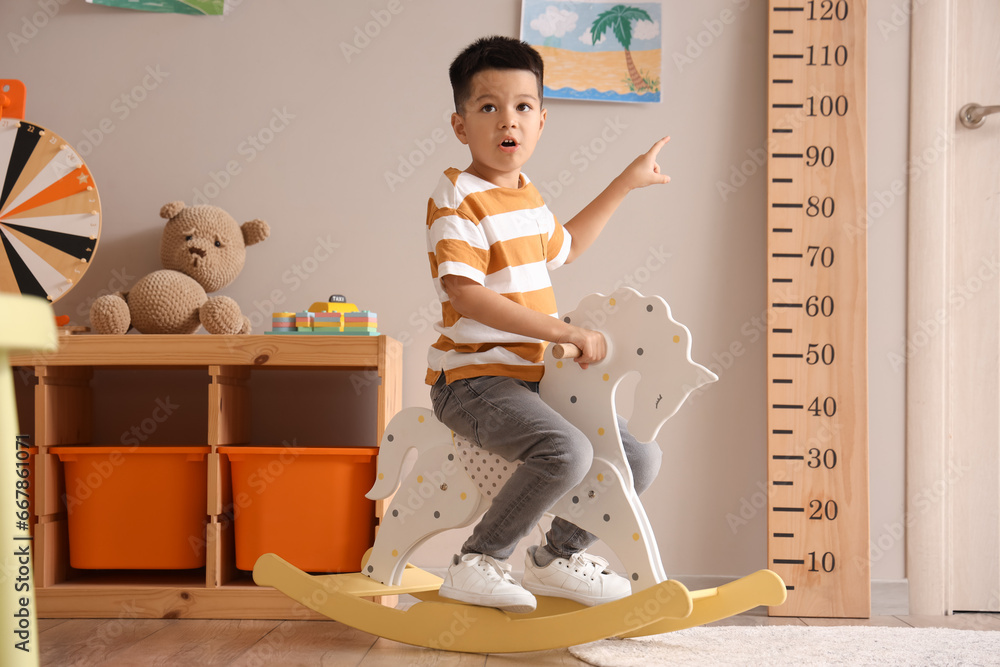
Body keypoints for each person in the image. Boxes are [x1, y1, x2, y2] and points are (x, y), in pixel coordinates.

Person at [426, 35, 670, 613]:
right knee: (567, 450)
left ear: (540, 121)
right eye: (487, 107)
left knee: (639, 458)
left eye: (522, 107)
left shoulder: (528, 199)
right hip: (473, 382)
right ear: (460, 125)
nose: (507, 120)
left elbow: (570, 244)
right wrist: (562, 333)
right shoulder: (457, 196)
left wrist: (626, 181)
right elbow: (466, 294)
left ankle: (555, 558)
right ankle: (478, 560)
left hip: (533, 380)